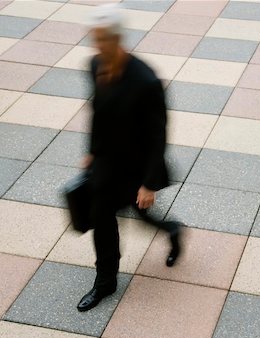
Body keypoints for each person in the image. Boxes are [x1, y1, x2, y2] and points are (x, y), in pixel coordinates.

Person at [77, 4, 181, 312]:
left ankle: (174, 231)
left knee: (144, 216)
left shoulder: (146, 81)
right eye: (94, 39)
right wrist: (92, 151)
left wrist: (148, 184)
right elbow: (97, 110)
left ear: (118, 39)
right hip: (107, 164)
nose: (97, 46)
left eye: (103, 39)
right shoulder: (95, 64)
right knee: (101, 217)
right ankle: (105, 283)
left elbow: (158, 135)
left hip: (137, 168)